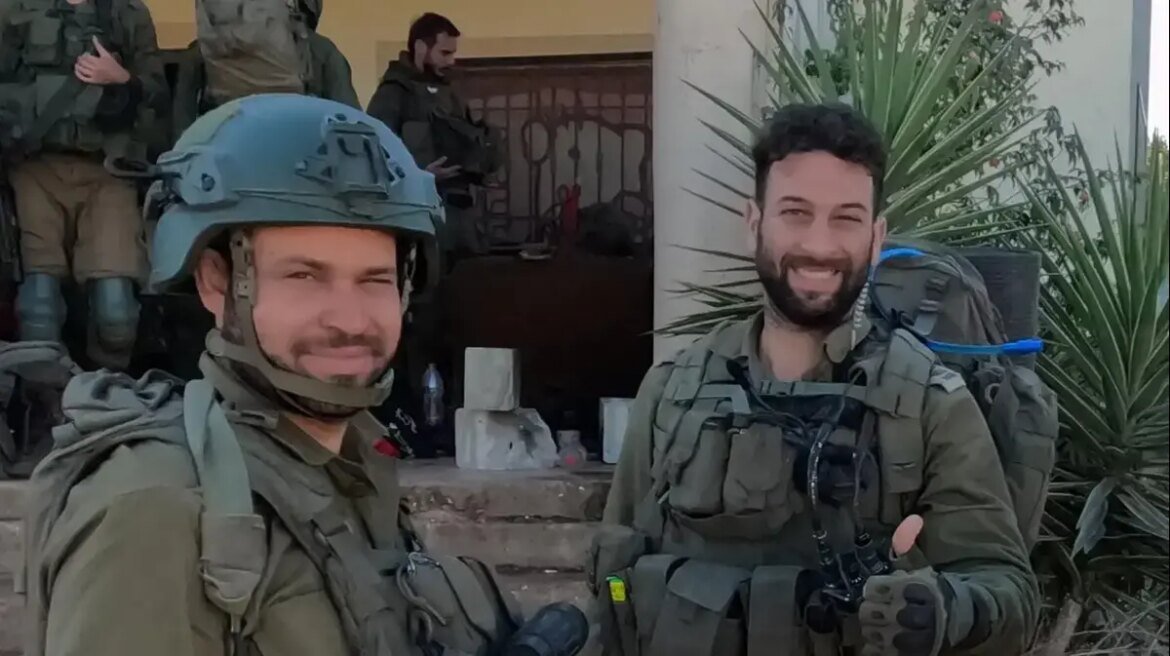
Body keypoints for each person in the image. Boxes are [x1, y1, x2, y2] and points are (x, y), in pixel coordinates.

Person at [20, 94, 529, 656]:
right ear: (216, 282)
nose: (349, 320)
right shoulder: (157, 508)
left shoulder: (347, 467)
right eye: (304, 276)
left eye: (374, 279)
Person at [592, 103, 1041, 655]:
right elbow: (616, 578)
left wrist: (943, 611)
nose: (820, 246)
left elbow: (1010, 593)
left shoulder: (929, 405)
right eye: (795, 213)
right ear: (754, 223)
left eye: (846, 218)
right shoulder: (672, 392)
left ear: (876, 237)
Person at [0, 0, 167, 369]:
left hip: (109, 172)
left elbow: (158, 94)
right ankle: (42, 394)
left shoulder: (127, 13)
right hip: (35, 171)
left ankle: (107, 394)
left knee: (116, 315)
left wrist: (122, 79)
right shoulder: (14, 10)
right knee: (38, 310)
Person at [366, 11, 502, 258]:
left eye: (453, 53)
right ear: (421, 47)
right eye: (444, 53)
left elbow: (469, 141)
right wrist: (420, 176)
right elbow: (373, 153)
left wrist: (481, 165)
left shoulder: (450, 94)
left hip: (458, 216)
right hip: (414, 215)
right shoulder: (393, 94)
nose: (451, 61)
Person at [170, 0, 359, 142]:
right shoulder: (321, 50)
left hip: (224, 162)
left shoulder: (204, 51)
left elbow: (180, 130)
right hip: (300, 163)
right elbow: (353, 126)